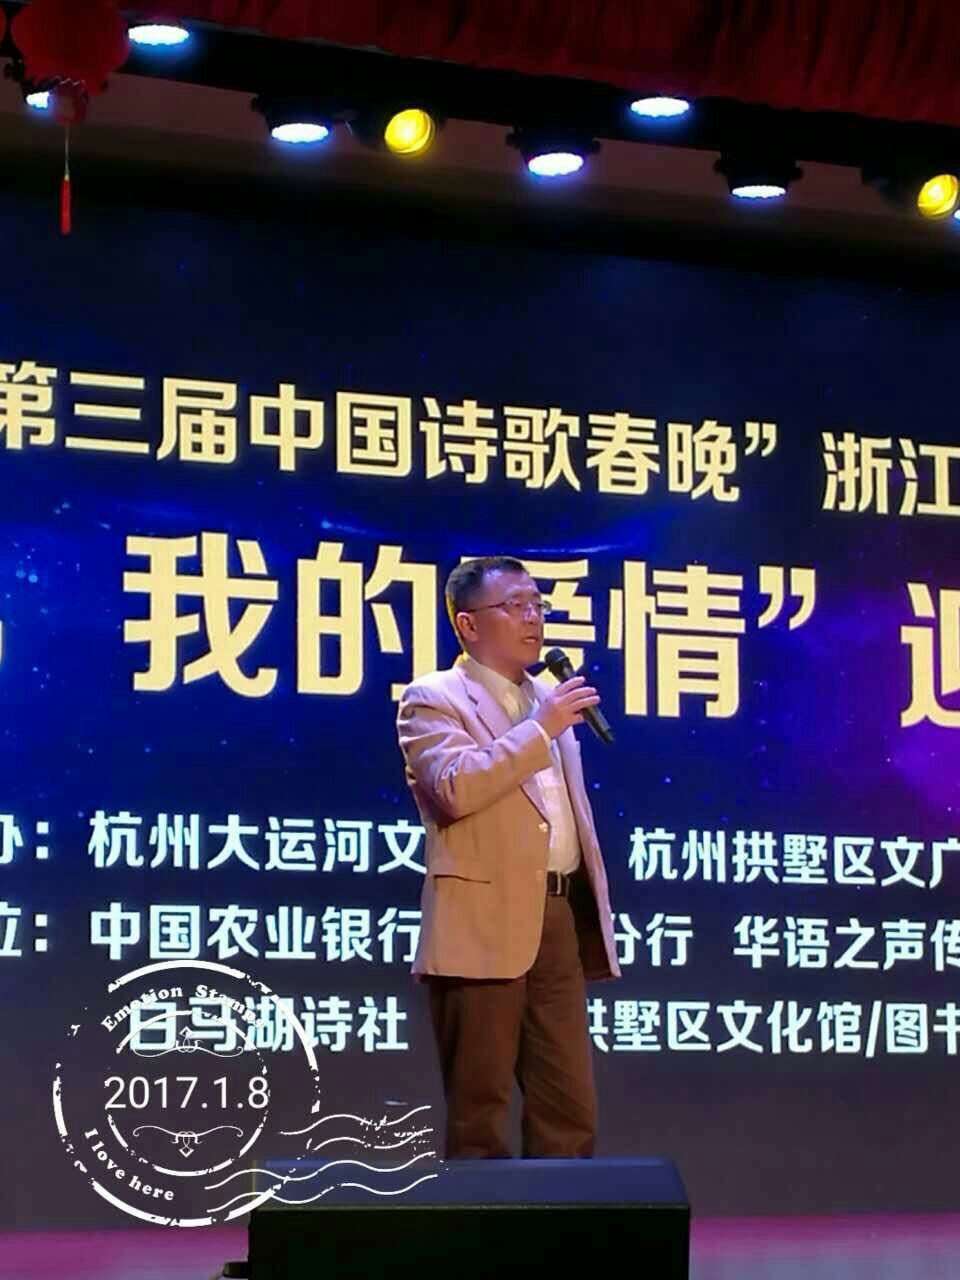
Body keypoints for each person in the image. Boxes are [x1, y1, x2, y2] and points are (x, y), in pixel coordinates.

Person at [396, 554, 620, 1159]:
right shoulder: (433, 698)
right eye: (515, 605)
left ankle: (564, 1217)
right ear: (468, 625)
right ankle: (481, 1222)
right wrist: (540, 728)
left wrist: (546, 720)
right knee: (480, 1113)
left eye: (538, 605)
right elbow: (455, 787)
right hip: (481, 920)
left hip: (556, 915)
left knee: (569, 1110)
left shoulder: (548, 700)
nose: (533, 618)